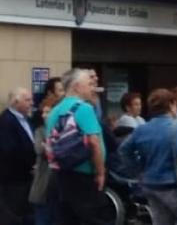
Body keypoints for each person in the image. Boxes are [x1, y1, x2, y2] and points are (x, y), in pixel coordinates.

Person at [117, 88, 177, 225]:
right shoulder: (176, 126)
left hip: (151, 184)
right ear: (171, 104)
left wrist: (138, 171)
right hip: (174, 184)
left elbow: (124, 150)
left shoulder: (142, 129)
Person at [47, 68, 110, 225]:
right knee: (93, 218)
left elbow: (50, 143)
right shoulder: (84, 108)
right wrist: (100, 172)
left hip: (61, 174)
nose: (92, 88)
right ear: (76, 87)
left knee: (67, 218)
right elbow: (94, 143)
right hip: (85, 174)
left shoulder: (54, 111)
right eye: (89, 84)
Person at [0, 87, 35, 224]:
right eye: (27, 100)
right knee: (13, 214)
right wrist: (31, 165)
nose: (31, 103)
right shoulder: (6, 121)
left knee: (25, 212)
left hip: (27, 177)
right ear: (15, 102)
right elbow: (10, 151)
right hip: (14, 178)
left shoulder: (26, 119)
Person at [30, 93, 59, 225]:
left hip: (59, 183)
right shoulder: (40, 131)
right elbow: (39, 150)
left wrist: (48, 146)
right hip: (43, 181)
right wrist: (52, 147)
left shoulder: (63, 129)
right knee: (42, 218)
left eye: (48, 112)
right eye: (43, 112)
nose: (44, 115)